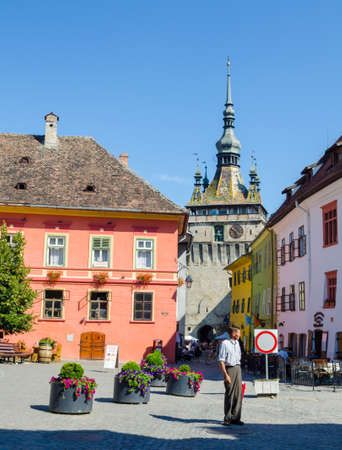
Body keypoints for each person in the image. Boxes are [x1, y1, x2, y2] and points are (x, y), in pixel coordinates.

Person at [218, 325, 244, 426]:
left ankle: (236, 418)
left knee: (238, 394)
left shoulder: (237, 343)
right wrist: (226, 375)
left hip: (238, 368)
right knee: (229, 394)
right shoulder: (225, 343)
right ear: (233, 334)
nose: (240, 335)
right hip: (230, 369)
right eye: (238, 333)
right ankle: (227, 418)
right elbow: (221, 360)